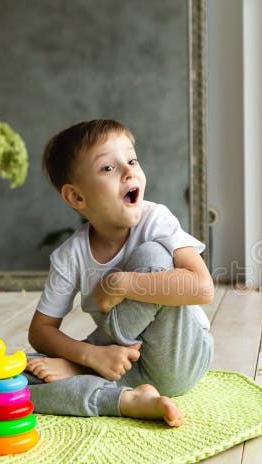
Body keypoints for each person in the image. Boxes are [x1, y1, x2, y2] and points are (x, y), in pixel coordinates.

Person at [25, 119, 214, 427]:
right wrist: (90, 355)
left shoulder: (155, 220)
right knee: (14, 382)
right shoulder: (69, 255)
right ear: (76, 197)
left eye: (131, 160)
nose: (129, 171)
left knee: (151, 255)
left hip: (178, 356)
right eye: (108, 168)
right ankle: (128, 401)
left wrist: (121, 283)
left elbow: (203, 288)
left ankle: (81, 369)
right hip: (117, 366)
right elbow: (40, 331)